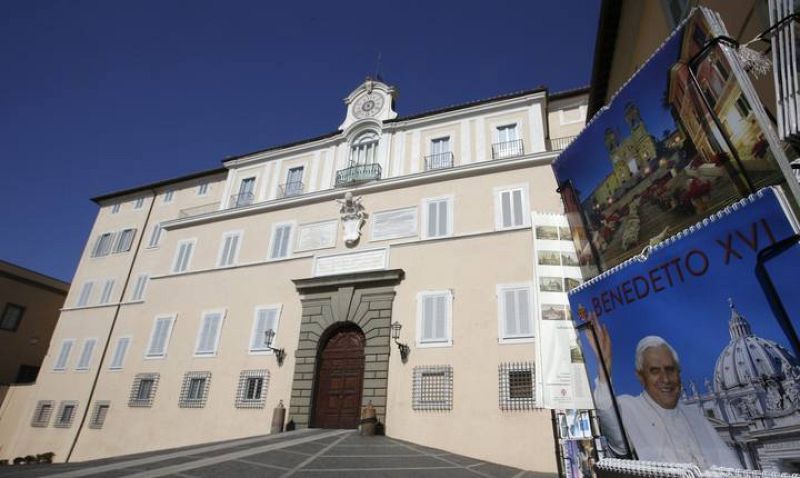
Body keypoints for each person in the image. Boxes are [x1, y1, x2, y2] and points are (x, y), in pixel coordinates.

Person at [589, 325, 740, 468]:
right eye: (655, 371)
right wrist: (604, 367)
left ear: (679, 372)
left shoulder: (696, 417)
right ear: (641, 376)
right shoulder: (629, 408)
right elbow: (611, 424)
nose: (666, 379)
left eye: (670, 369)